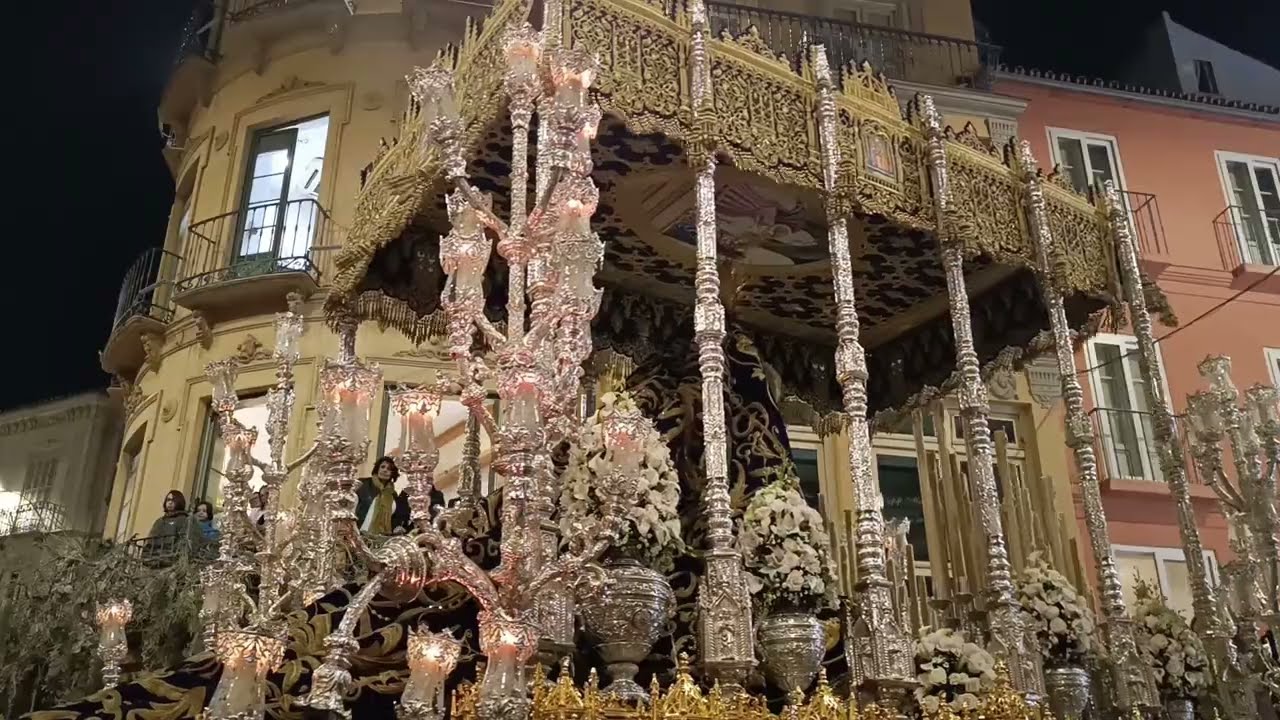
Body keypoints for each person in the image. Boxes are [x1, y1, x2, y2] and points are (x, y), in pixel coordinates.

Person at [355, 456, 411, 534]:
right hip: (358, 533)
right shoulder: (362, 484)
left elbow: (394, 519)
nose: (385, 470)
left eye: (389, 469)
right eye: (382, 467)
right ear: (377, 469)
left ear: (393, 473)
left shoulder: (393, 494)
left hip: (381, 537)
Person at [145, 489, 192, 558]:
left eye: (173, 500)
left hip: (171, 557)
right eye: (168, 500)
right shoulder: (159, 521)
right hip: (155, 557)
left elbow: (183, 540)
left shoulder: (183, 519)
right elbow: (150, 540)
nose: (170, 502)